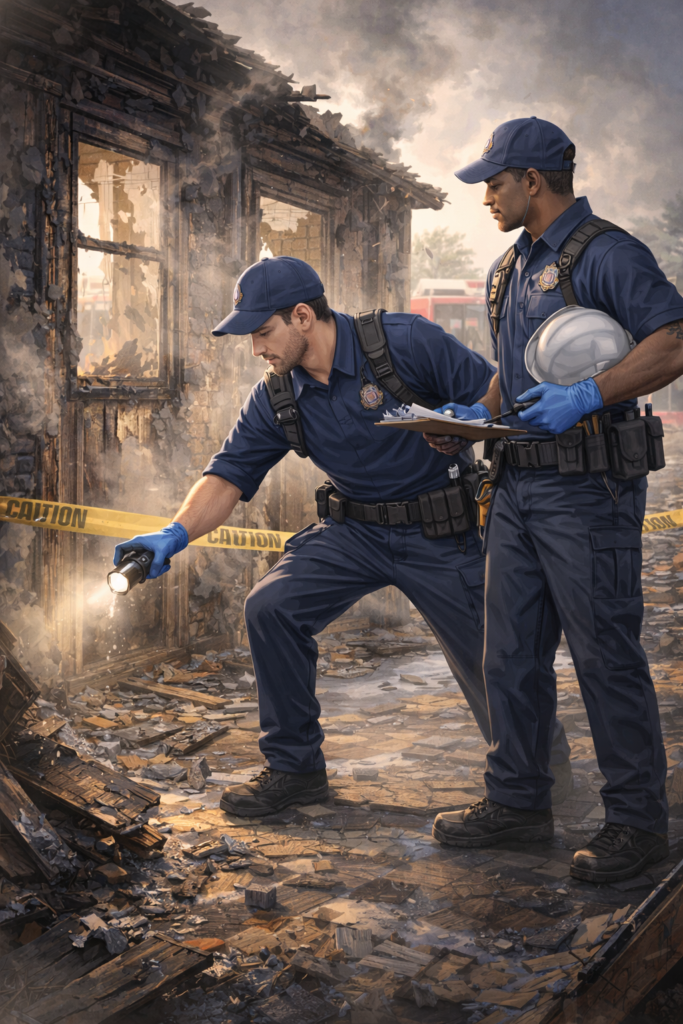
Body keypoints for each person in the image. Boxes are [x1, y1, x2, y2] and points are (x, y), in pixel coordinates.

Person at [113, 254, 572, 817]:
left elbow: (502, 397)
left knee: (497, 657)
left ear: (303, 316)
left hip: (443, 530)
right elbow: (229, 474)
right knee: (271, 606)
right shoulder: (277, 395)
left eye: (263, 332)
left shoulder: (405, 341)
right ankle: (295, 769)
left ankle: (543, 783)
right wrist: (175, 533)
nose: (257, 349)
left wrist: (472, 418)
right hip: (352, 532)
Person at [427, 116, 683, 884]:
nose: (486, 199)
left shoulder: (608, 252)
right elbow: (515, 367)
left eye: (493, 184)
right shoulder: (508, 269)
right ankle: (516, 801)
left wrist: (588, 394)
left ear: (532, 181)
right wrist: (478, 417)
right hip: (516, 484)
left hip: (587, 490)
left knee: (604, 653)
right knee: (507, 653)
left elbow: (670, 341)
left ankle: (636, 823)